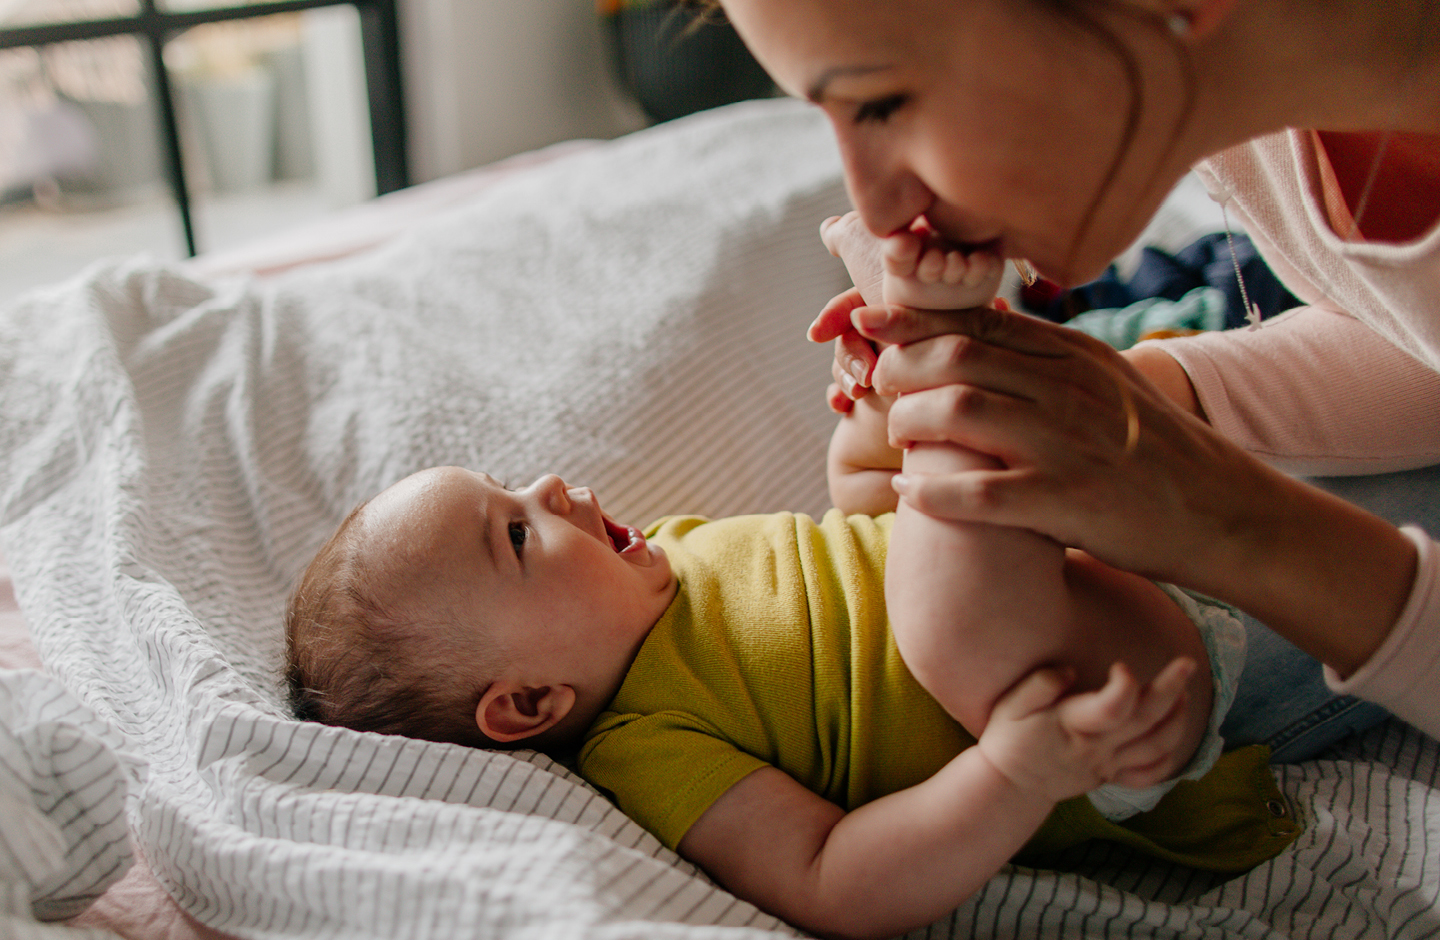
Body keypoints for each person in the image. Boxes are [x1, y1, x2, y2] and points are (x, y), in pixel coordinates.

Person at [284, 252, 1293, 938]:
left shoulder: (671, 555)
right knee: (945, 605)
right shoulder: (649, 745)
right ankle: (954, 353)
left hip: (1111, 560)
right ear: (532, 704)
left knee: (893, 485)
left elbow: (854, 535)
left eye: (512, 482)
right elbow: (833, 879)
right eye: (514, 532)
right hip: (1096, 702)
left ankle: (935, 382)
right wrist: (1014, 774)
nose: (546, 488)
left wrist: (871, 420)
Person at [709, 0, 1440, 746]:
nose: (873, 205)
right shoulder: (1253, 97)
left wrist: (1229, 519)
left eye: (884, 103)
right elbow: (1418, 329)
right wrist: (1133, 399)